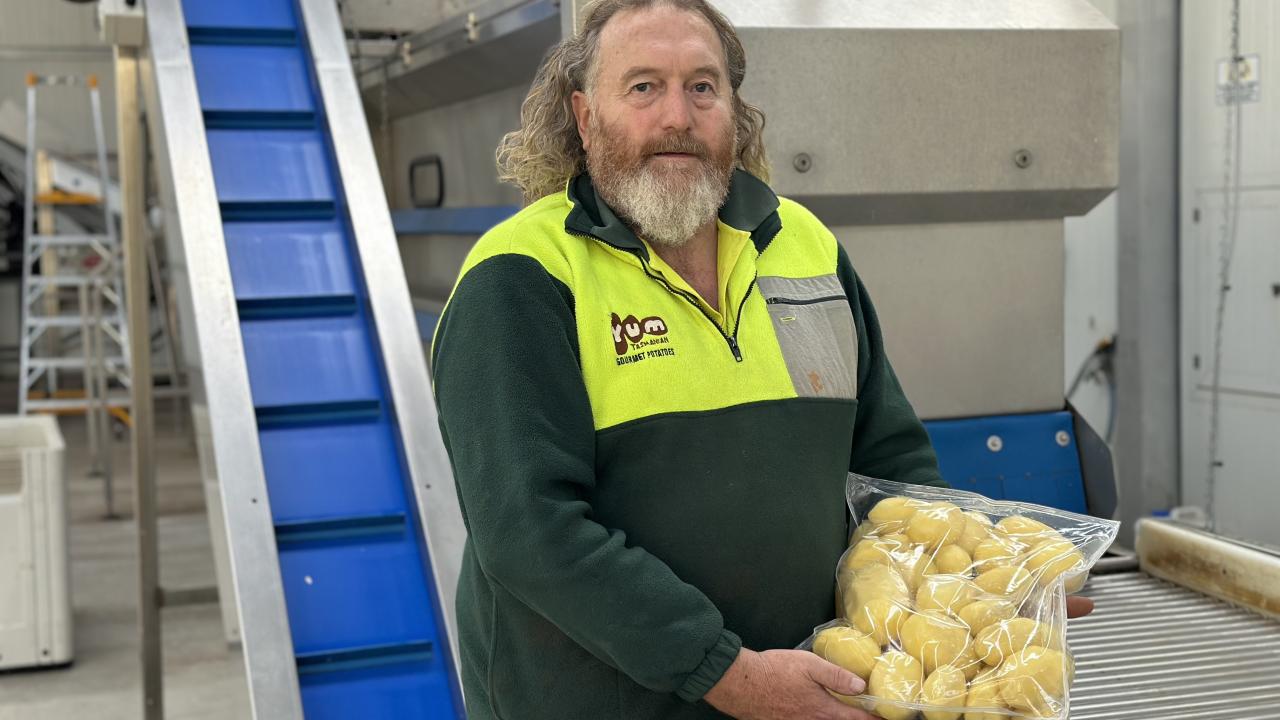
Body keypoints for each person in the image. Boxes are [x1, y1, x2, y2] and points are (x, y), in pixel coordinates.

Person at [430, 1, 1091, 717]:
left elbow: (889, 458)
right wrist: (725, 671)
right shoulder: (523, 277)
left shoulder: (801, 245)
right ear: (586, 118)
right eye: (644, 87)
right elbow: (531, 533)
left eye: (703, 86)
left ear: (735, 113)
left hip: (808, 694)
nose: (678, 116)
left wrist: (977, 591)